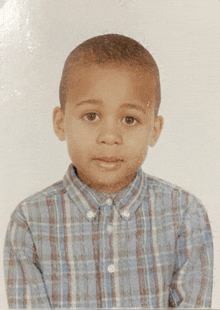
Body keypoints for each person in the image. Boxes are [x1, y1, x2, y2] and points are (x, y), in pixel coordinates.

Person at [4, 34, 213, 309]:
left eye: (130, 119)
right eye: (91, 116)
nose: (110, 136)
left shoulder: (185, 215)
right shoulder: (30, 222)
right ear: (60, 122)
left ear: (154, 129)